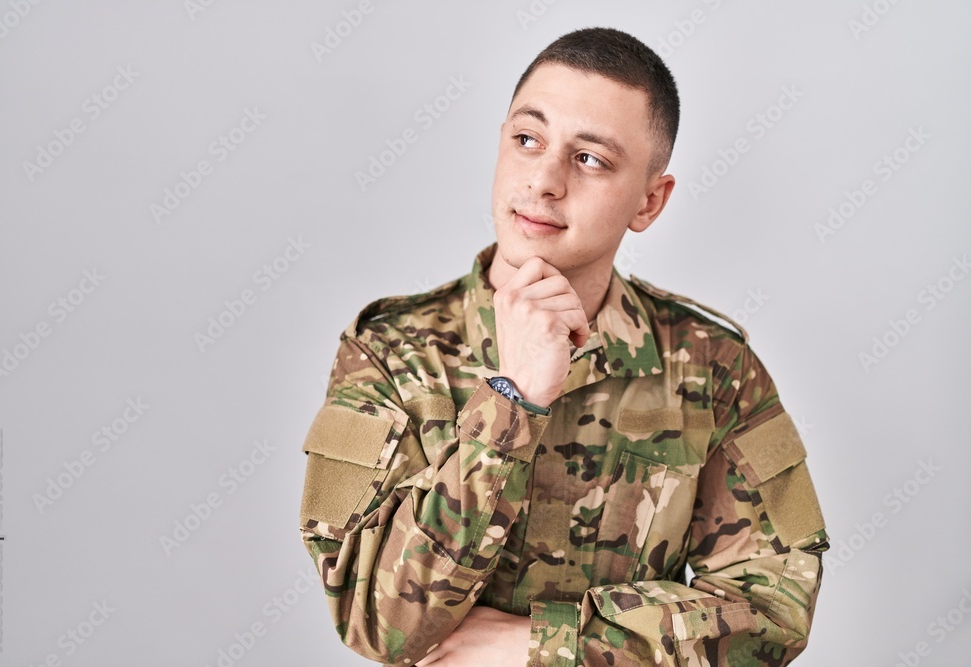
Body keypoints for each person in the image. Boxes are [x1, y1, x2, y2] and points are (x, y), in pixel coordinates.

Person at [299, 27, 828, 666]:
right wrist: (511, 399)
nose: (544, 181)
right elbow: (378, 623)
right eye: (528, 140)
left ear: (649, 202)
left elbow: (773, 611)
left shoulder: (715, 369)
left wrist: (542, 644)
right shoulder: (391, 353)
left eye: (590, 159)